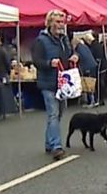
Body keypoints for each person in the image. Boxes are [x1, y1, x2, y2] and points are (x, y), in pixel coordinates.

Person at [32, 10, 78, 160]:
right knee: (53, 114)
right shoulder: (41, 40)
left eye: (62, 22)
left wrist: (74, 56)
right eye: (57, 22)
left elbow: (69, 54)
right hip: (48, 83)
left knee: (58, 115)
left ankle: (49, 143)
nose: (60, 25)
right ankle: (57, 147)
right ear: (49, 22)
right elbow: (36, 61)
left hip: (63, 83)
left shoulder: (64, 39)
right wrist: (48, 63)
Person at [74, 34, 99, 107]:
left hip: (88, 67)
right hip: (93, 65)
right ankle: (93, 101)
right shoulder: (84, 46)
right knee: (92, 84)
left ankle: (92, 101)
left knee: (88, 85)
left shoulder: (78, 48)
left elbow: (82, 58)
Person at [89, 33, 107, 105]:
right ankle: (101, 99)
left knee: (99, 83)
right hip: (103, 66)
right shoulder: (98, 45)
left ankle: (99, 99)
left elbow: (98, 57)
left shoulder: (94, 46)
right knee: (100, 82)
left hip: (99, 67)